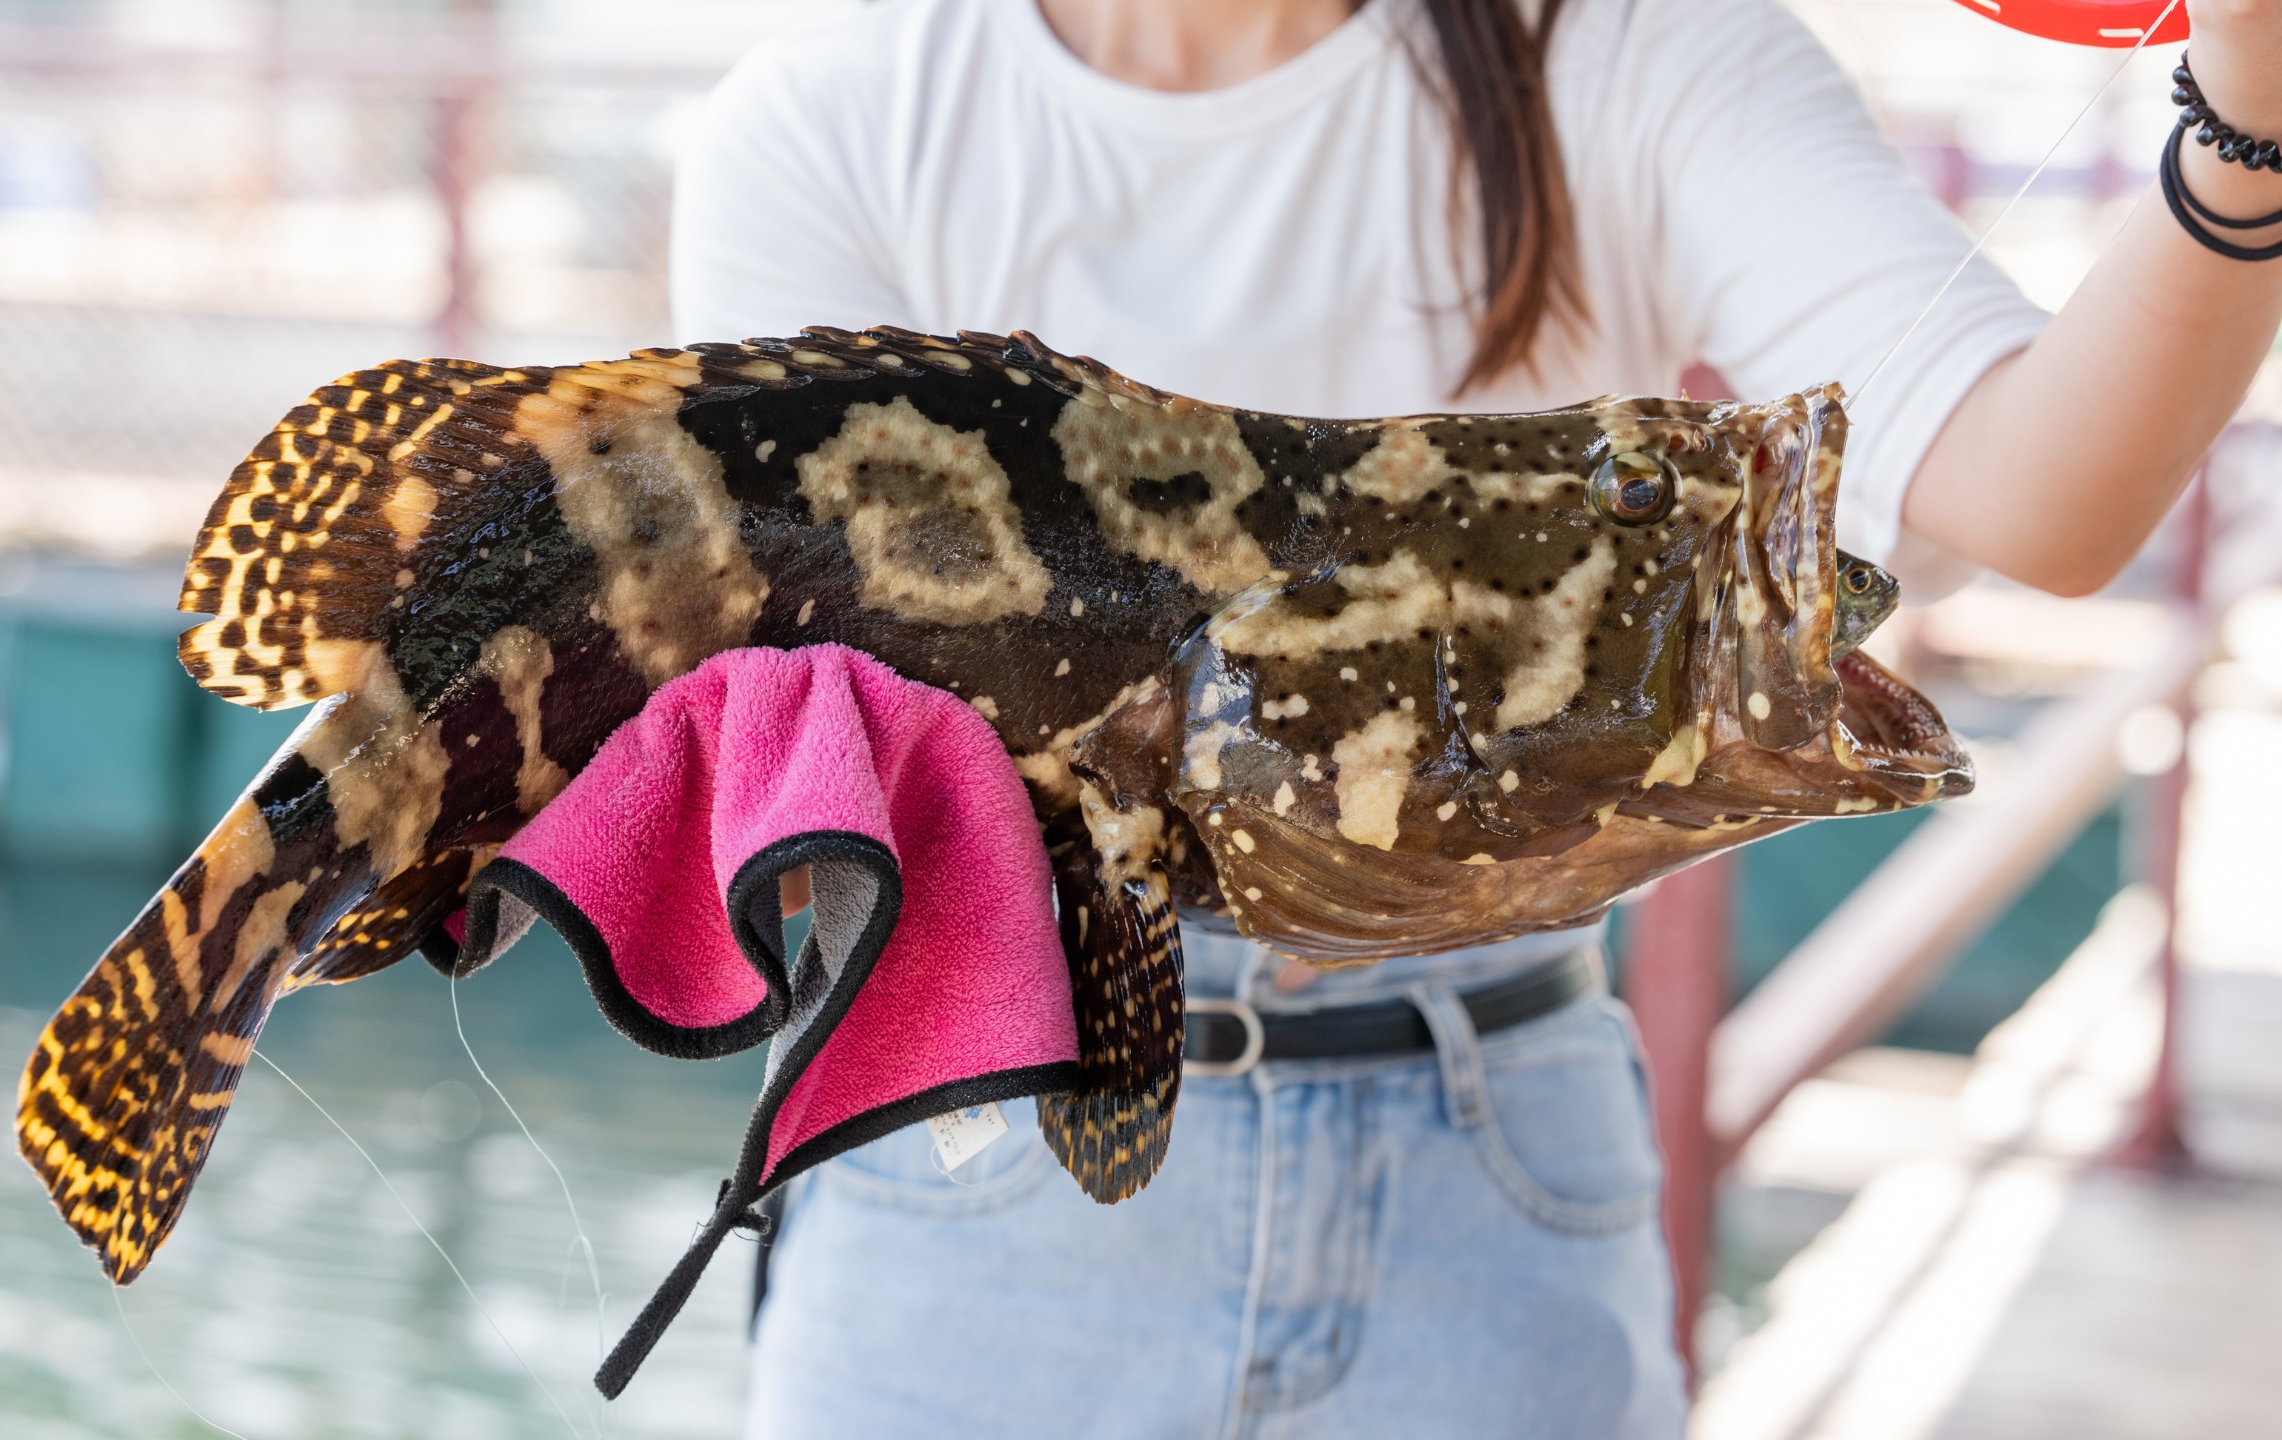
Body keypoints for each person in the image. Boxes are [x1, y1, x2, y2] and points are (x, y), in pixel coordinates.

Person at [666, 0, 2282, 1433]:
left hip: (1490, 1160)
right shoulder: (826, 115)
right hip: (963, 1159)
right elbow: (797, 705)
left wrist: (2253, 106)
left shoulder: (1635, 51)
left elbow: (2052, 500)